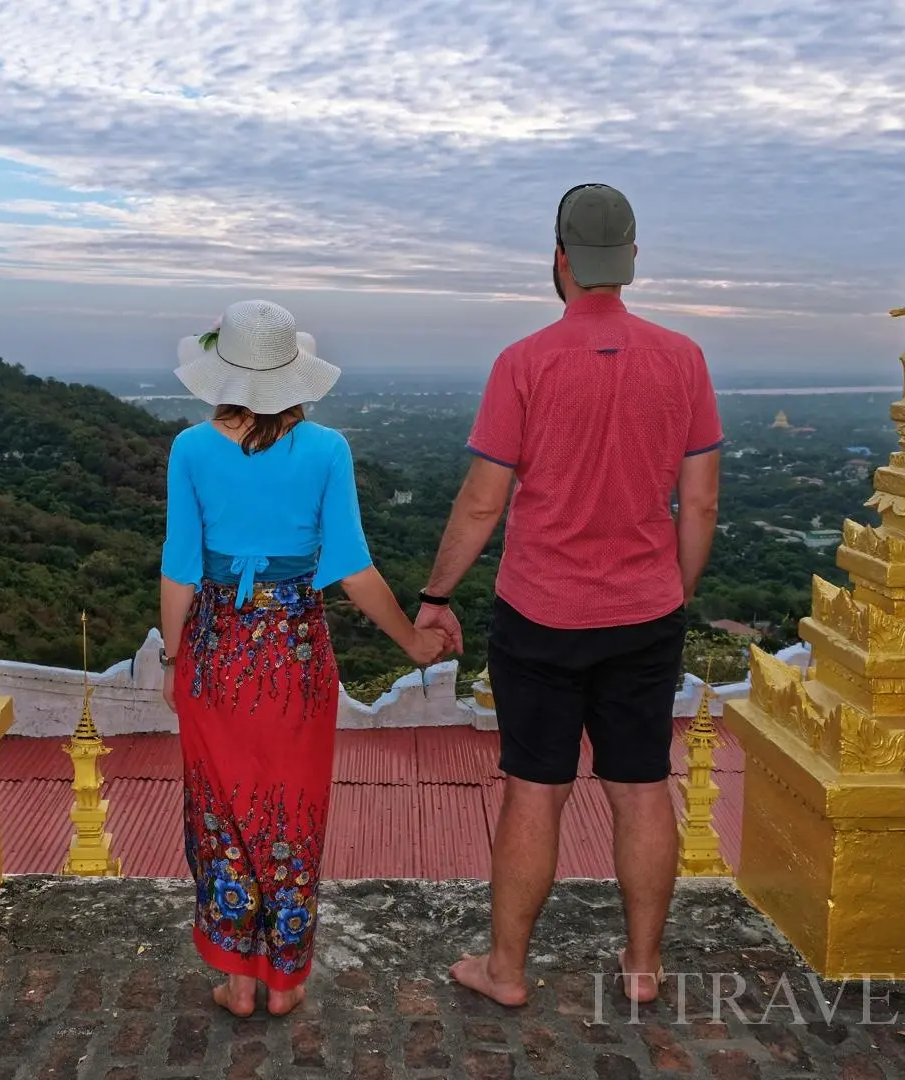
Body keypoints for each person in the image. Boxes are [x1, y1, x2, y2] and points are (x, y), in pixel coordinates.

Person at [414, 184, 722, 1007]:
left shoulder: (524, 363)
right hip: (644, 610)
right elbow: (699, 503)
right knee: (642, 786)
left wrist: (436, 594)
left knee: (533, 789)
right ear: (630, 262)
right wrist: (673, 590)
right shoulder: (683, 358)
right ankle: (643, 966)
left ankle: (507, 969)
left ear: (559, 261)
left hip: (540, 610)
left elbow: (483, 502)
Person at [160, 299, 448, 1018]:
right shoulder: (327, 451)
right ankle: (285, 979)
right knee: (291, 813)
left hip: (216, 655)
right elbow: (352, 568)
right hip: (295, 658)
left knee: (222, 814)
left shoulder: (191, 450)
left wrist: (173, 658)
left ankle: (237, 979)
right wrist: (414, 642)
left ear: (221, 375)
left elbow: (179, 571)